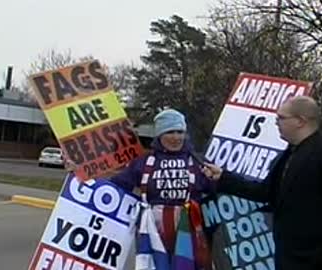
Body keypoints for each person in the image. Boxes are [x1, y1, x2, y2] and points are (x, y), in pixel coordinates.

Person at [202, 96, 322, 270]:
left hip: (317, 259)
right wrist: (223, 177)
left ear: (300, 121)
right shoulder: (289, 153)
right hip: (288, 257)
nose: (276, 123)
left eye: (281, 118)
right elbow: (264, 191)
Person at [66, 109, 213, 270]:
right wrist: (80, 172)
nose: (176, 137)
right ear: (159, 134)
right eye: (170, 131)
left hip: (189, 229)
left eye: (180, 132)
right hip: (151, 228)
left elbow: (215, 190)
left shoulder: (198, 162)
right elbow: (114, 189)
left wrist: (217, 180)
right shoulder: (143, 162)